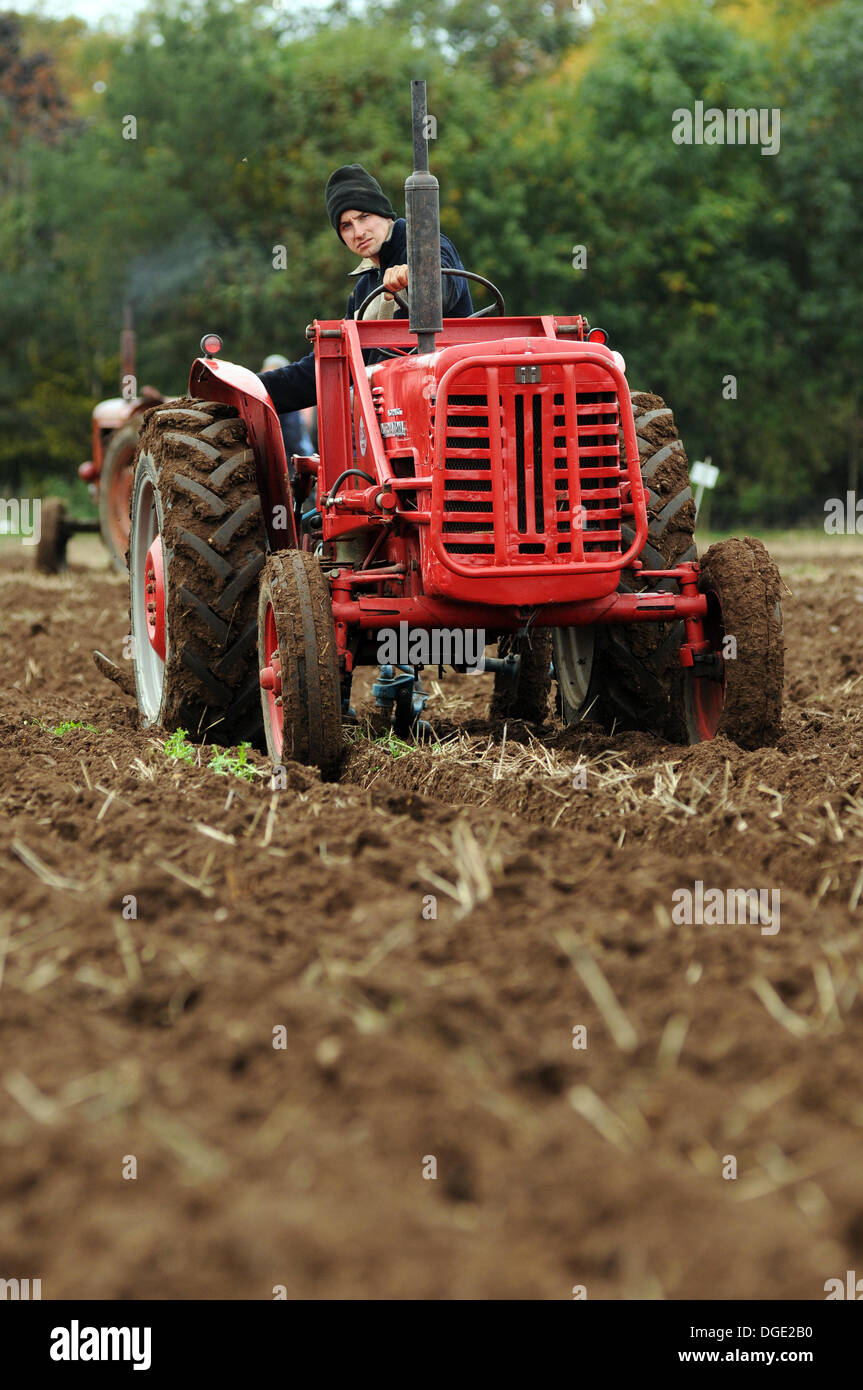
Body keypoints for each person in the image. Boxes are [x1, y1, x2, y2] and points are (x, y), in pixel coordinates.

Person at [258, 164, 473, 415]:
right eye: (346, 226)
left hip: (451, 407)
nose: (358, 232)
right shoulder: (364, 291)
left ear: (384, 214)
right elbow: (335, 367)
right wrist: (253, 386)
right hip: (392, 418)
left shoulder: (426, 244)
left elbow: (444, 287)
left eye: (363, 217)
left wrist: (417, 277)